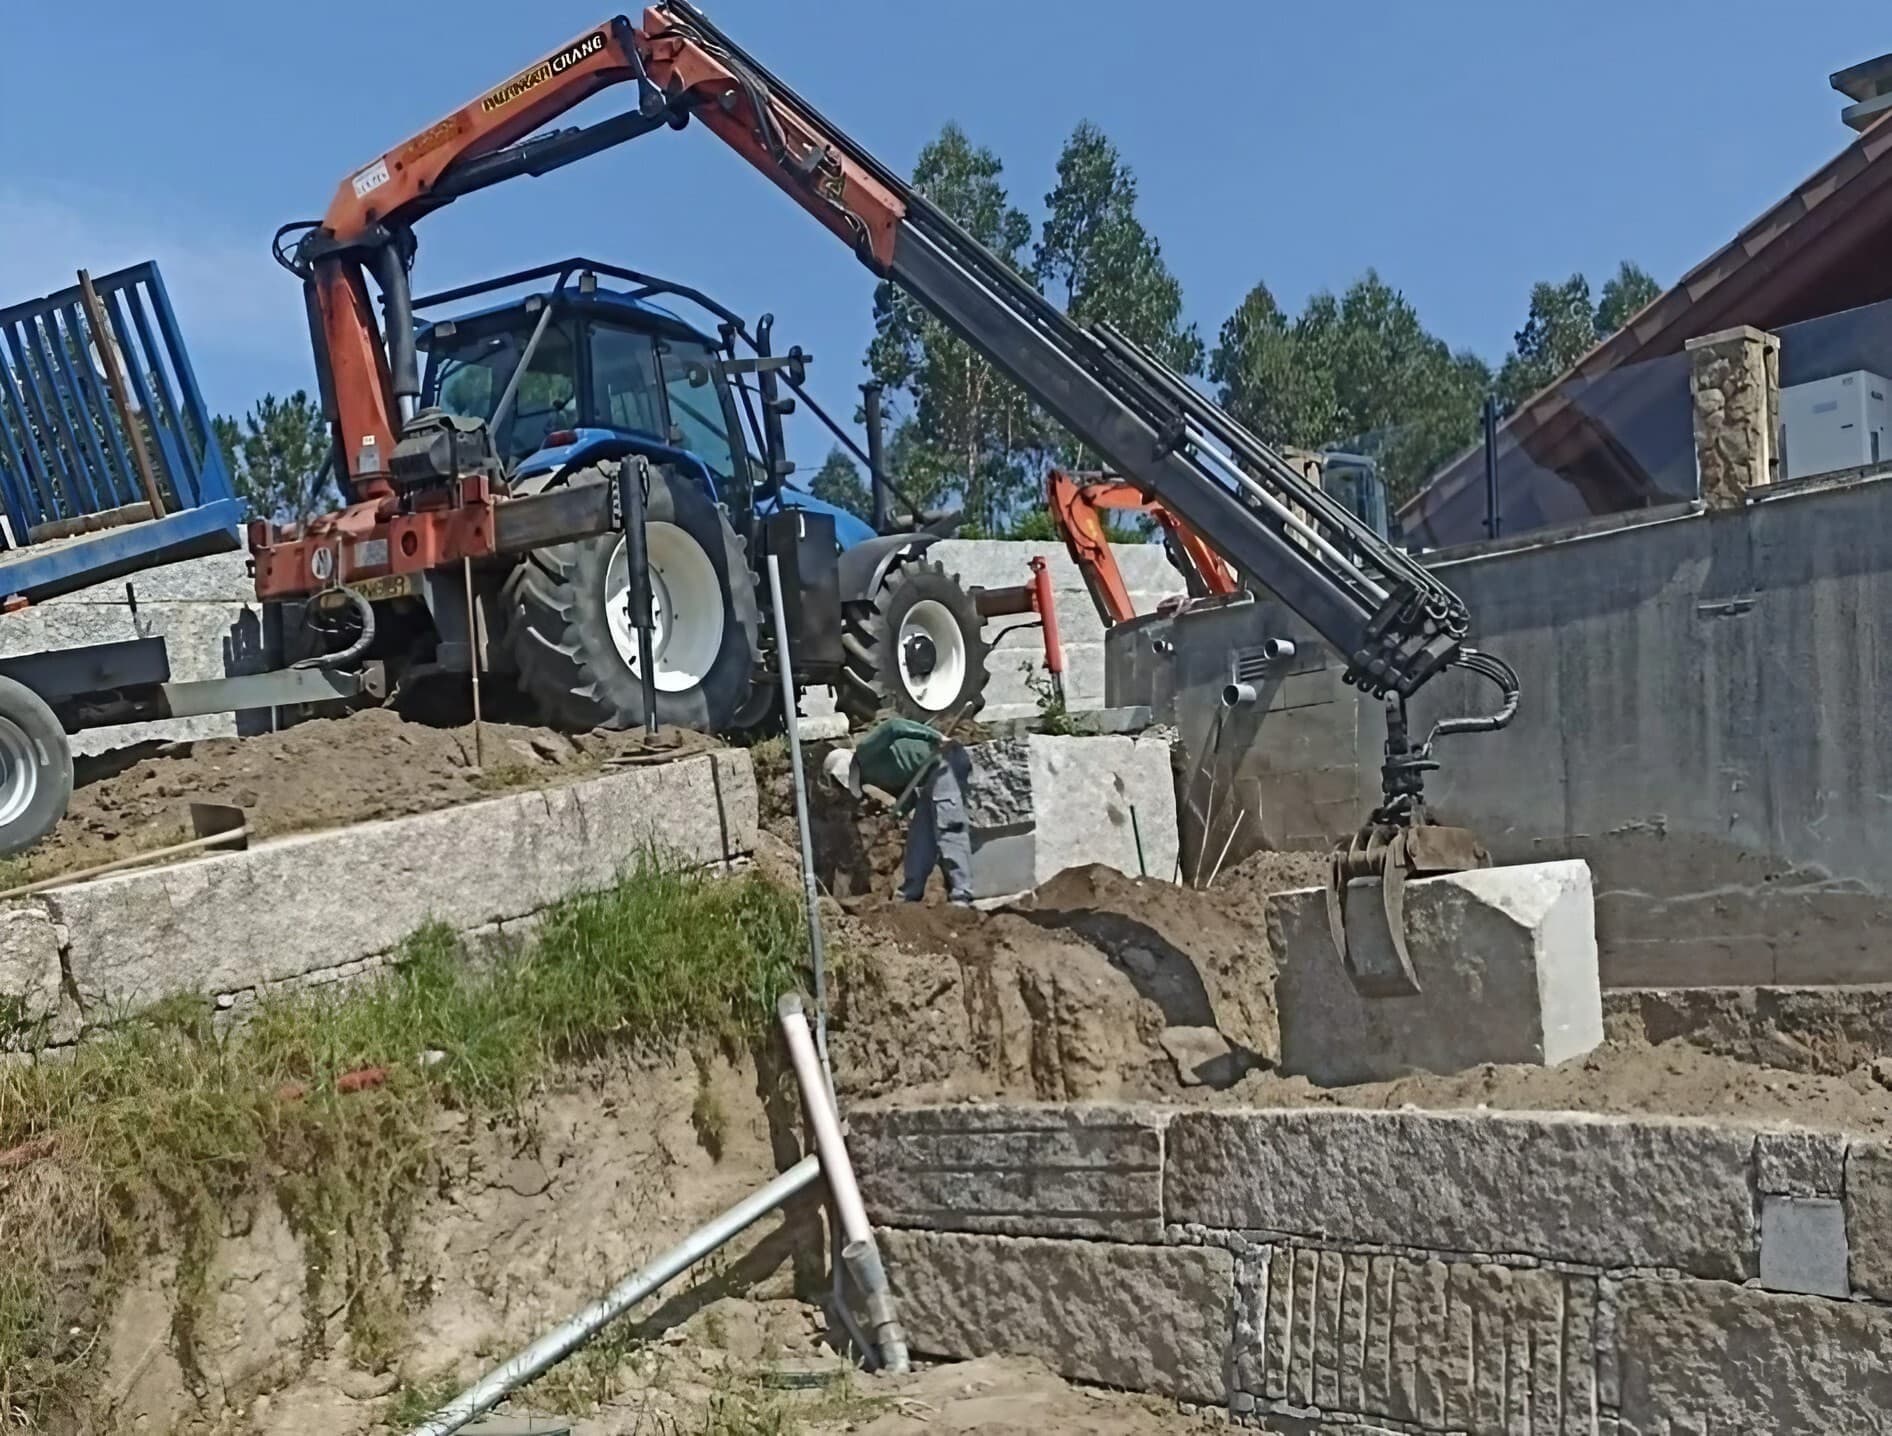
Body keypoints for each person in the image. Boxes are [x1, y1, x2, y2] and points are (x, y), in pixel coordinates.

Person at [823, 716, 973, 905]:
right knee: (919, 837)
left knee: (948, 828)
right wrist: (895, 815)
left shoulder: (865, 751)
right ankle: (910, 894)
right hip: (927, 777)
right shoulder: (872, 778)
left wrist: (935, 737)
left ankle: (962, 895)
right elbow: (908, 796)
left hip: (943, 760)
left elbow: (894, 726)